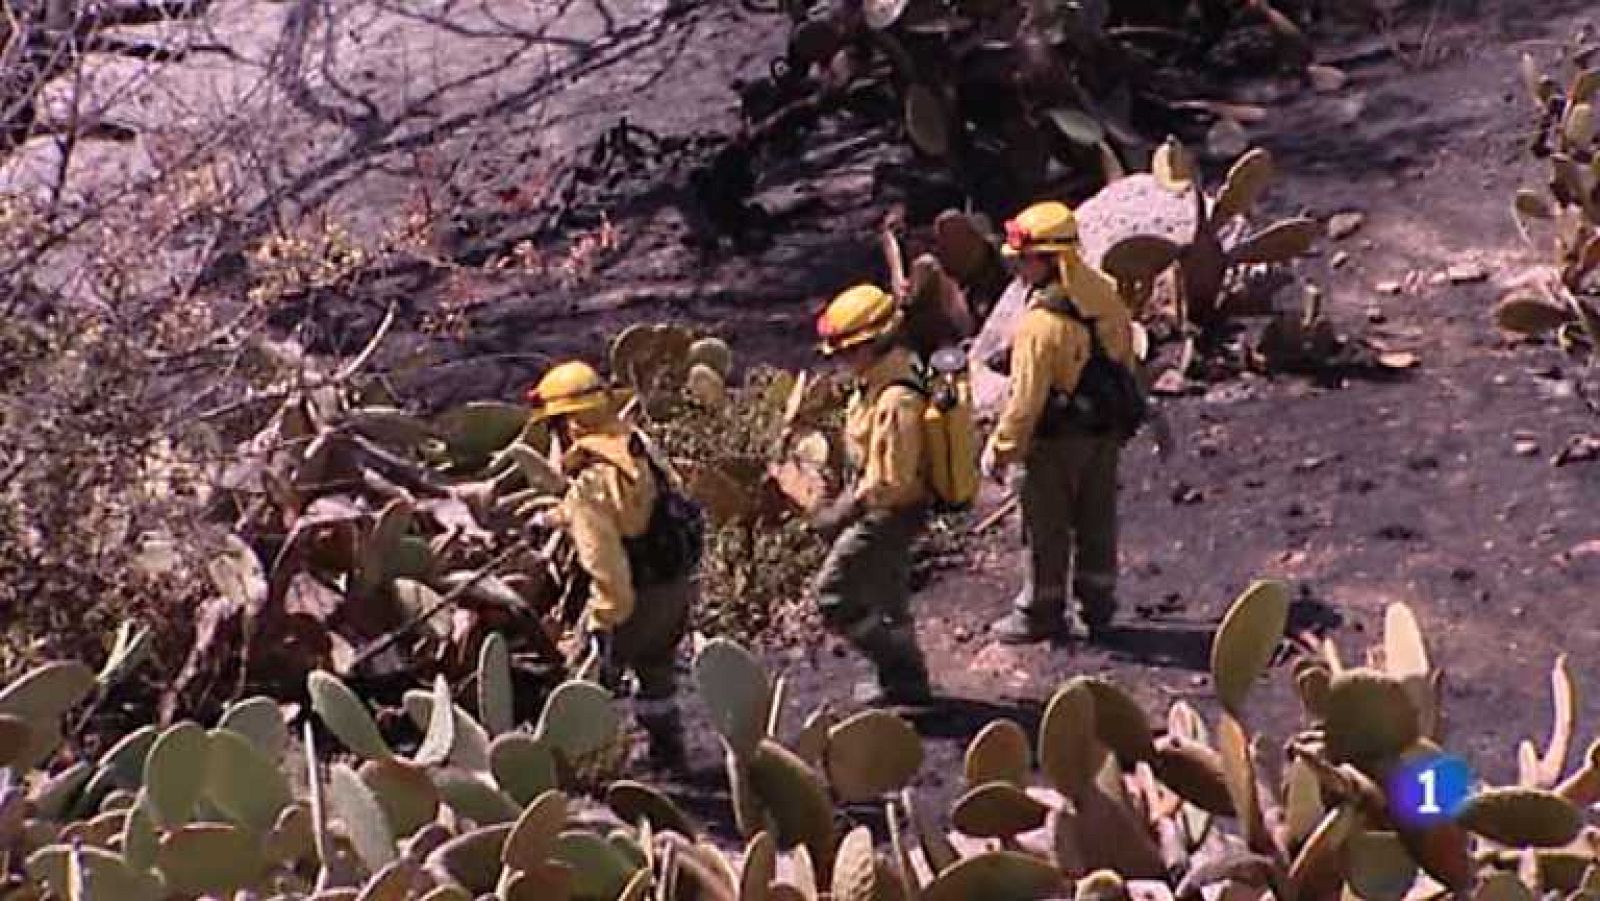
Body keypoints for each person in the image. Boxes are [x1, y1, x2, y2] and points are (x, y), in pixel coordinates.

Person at [980, 201, 1137, 645]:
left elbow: (1025, 403)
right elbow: (1124, 356)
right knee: (1097, 519)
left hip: (1054, 443)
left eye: (1025, 258)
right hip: (1105, 431)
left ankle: (1040, 611)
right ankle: (1098, 608)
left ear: (1050, 259)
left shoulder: (1041, 325)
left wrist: (1001, 449)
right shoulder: (1105, 294)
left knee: (1045, 528)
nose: (1017, 266)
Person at [526, 360, 694, 772]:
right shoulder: (634, 445)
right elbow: (635, 506)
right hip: (674, 587)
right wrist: (553, 519)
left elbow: (604, 564)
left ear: (571, 424)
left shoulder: (589, 483)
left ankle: (579, 772)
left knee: (581, 688)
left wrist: (602, 623)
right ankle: (669, 753)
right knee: (657, 671)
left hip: (631, 597)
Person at [809, 283, 935, 705]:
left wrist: (844, 510)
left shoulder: (896, 399)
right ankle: (907, 685)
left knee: (832, 595)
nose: (842, 362)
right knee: (889, 598)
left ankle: (897, 671)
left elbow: (891, 481)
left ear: (876, 342)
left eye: (848, 352)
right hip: (887, 510)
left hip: (889, 515)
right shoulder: (876, 383)